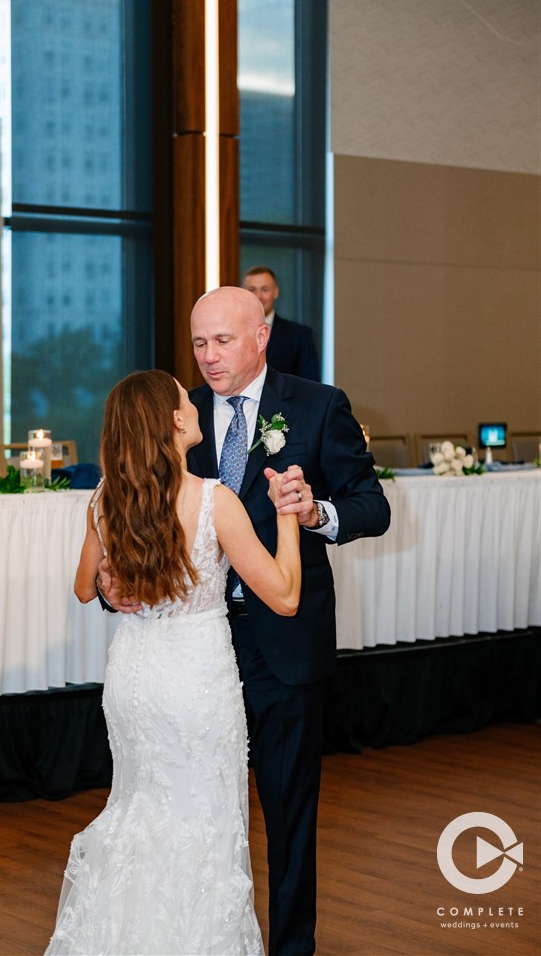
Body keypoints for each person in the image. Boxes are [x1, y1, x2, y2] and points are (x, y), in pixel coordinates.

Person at [45, 369, 301, 956]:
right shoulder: (216, 500)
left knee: (139, 810)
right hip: (194, 678)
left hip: (134, 675)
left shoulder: (106, 498)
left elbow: (87, 588)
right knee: (203, 823)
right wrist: (287, 515)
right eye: (186, 400)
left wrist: (114, 583)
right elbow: (285, 596)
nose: (193, 404)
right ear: (174, 421)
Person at [187, 286, 391, 956]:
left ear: (261, 334)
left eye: (222, 340)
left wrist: (315, 515)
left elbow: (371, 506)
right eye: (198, 343)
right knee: (198, 809)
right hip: (196, 642)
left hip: (284, 643)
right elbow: (147, 520)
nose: (209, 357)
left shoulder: (317, 404)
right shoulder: (178, 416)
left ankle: (290, 947)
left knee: (288, 810)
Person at [243, 265, 320, 380]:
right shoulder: (229, 333)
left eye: (265, 289)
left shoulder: (300, 335)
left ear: (276, 292)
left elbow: (310, 386)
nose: (259, 296)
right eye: (252, 290)